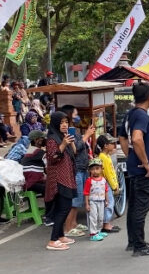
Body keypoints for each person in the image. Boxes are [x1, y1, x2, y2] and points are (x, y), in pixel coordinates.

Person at [119, 82, 149, 256]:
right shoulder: (142, 116)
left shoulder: (130, 114)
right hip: (143, 169)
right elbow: (136, 139)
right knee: (140, 208)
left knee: (134, 206)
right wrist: (145, 162)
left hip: (134, 166)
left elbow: (122, 137)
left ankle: (134, 241)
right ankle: (139, 246)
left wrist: (130, 156)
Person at [60, 105, 96, 238]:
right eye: (75, 115)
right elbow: (76, 148)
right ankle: (68, 227)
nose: (77, 117)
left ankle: (74, 223)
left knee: (79, 198)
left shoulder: (73, 129)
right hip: (76, 168)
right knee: (74, 201)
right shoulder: (69, 131)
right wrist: (86, 135)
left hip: (82, 167)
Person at [44, 111, 77, 251]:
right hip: (58, 179)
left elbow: (74, 152)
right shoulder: (52, 139)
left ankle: (61, 235)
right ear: (56, 123)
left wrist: (70, 142)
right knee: (63, 208)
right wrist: (63, 143)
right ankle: (53, 240)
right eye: (61, 122)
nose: (64, 125)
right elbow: (52, 157)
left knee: (63, 207)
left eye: (66, 122)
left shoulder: (62, 136)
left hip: (67, 177)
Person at [96, 134, 121, 234]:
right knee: (109, 203)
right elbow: (108, 174)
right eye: (111, 143)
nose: (114, 145)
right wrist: (114, 186)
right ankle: (106, 224)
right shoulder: (104, 157)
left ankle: (107, 223)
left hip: (107, 183)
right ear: (106, 146)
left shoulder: (106, 156)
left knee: (109, 203)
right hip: (106, 184)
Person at [84, 158, 109, 242]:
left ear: (101, 169)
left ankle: (99, 231)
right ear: (90, 170)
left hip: (101, 201)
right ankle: (93, 234)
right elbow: (86, 193)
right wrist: (87, 204)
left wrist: (106, 200)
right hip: (92, 202)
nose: (95, 171)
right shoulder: (89, 181)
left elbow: (106, 190)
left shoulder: (103, 180)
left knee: (100, 217)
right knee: (93, 217)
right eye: (92, 169)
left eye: (97, 168)